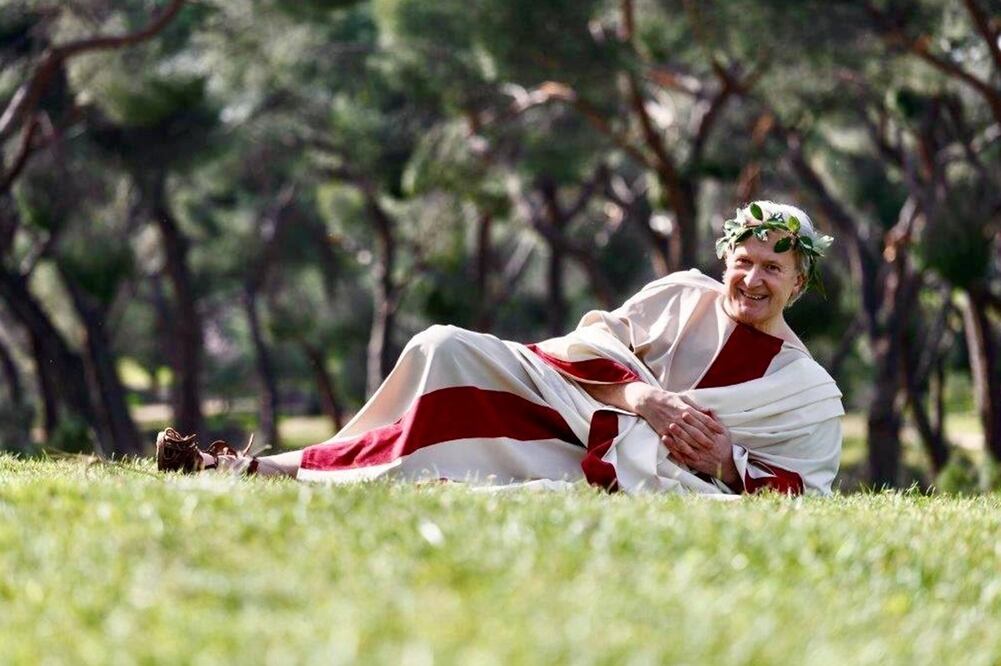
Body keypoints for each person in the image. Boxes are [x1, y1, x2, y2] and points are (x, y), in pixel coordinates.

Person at [156, 200, 844, 495]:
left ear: (798, 279)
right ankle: (261, 466)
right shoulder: (680, 293)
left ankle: (261, 472)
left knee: (455, 460)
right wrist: (643, 394)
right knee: (443, 344)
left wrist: (726, 461)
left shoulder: (805, 389)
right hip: (575, 406)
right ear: (726, 257)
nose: (751, 279)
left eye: (772, 269)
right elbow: (590, 341)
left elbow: (806, 489)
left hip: (631, 463)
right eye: (743, 260)